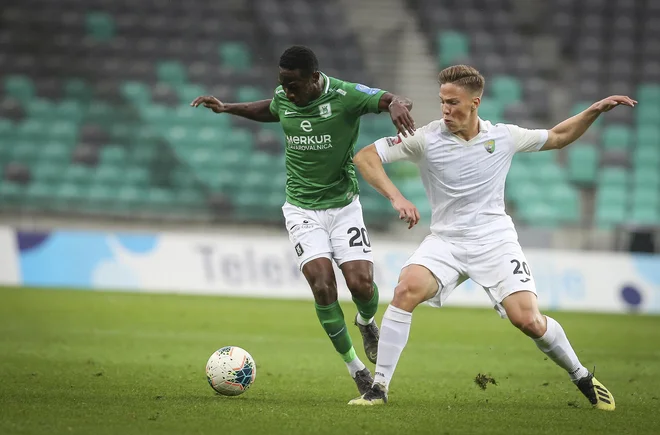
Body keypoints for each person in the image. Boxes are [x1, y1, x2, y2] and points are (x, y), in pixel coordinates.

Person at [348, 64, 635, 409]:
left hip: (495, 240)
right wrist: (397, 197)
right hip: (446, 241)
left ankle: (581, 376)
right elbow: (365, 157)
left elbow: (558, 137)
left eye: (453, 102)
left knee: (528, 320)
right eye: (442, 102)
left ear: (475, 102)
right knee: (405, 290)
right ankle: (378, 388)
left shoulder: (503, 136)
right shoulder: (424, 137)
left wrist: (593, 111)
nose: (445, 110)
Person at [191, 45, 416, 394]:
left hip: (343, 207)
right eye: (283, 83)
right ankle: (356, 369)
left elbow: (389, 99)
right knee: (323, 286)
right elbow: (269, 108)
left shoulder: (346, 95)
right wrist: (227, 108)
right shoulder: (285, 96)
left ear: (314, 78)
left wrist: (398, 103)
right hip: (301, 210)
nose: (287, 91)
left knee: (361, 285)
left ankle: (366, 320)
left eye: (293, 84)